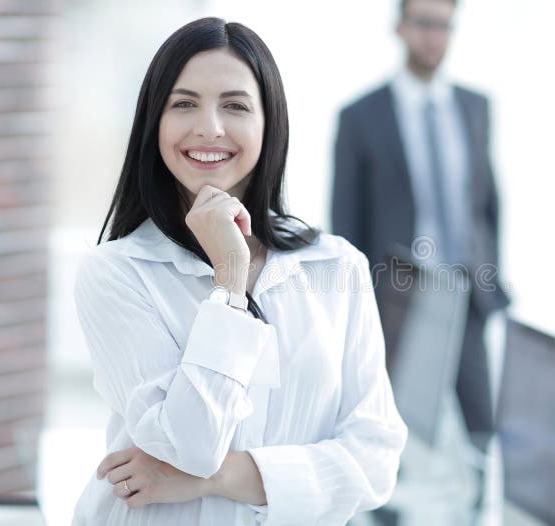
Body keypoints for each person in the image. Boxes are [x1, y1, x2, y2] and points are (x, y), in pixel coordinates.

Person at [71, 17, 407, 526]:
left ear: (269, 123)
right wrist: (230, 278)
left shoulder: (337, 267)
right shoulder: (116, 273)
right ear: (153, 124)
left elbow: (375, 462)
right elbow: (189, 445)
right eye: (184, 104)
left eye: (235, 105)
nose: (210, 127)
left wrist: (221, 477)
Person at [332, 0, 509, 451]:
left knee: (482, 430)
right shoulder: (361, 117)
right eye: (425, 24)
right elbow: (346, 222)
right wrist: (360, 309)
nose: (435, 37)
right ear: (400, 28)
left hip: (467, 290)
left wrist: (492, 277)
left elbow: (488, 202)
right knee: (385, 428)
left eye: (446, 26)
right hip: (398, 297)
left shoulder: (475, 107)